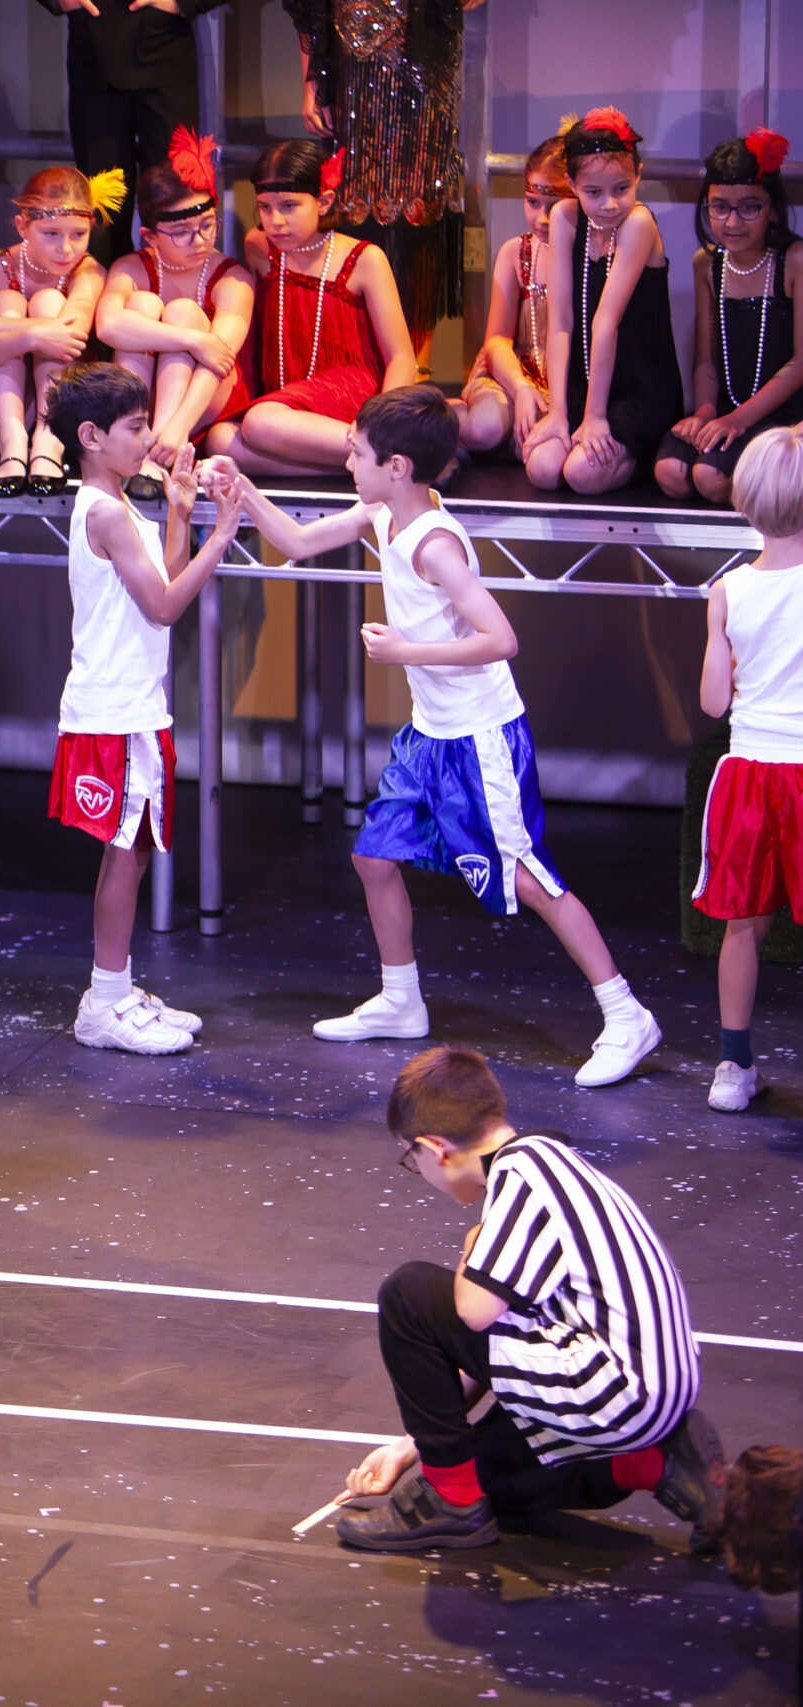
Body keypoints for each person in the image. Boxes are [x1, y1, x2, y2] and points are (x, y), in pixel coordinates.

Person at [227, 387, 662, 1087]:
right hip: (428, 734)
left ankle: (626, 1013)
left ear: (396, 466)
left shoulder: (434, 545)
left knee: (529, 878)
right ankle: (401, 999)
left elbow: (500, 638)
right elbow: (301, 541)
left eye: (357, 452)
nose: (347, 459)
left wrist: (405, 651)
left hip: (479, 737)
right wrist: (243, 490)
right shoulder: (383, 512)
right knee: (375, 857)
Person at [335, 1047, 724, 1554]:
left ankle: (452, 1503)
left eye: (412, 1159)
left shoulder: (521, 1177)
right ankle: (659, 1463)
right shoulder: (549, 1161)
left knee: (408, 1294)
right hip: (649, 1398)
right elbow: (497, 1336)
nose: (418, 1170)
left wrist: (471, 1246)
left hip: (615, 1392)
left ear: (435, 1148)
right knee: (489, 1477)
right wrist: (414, 1447)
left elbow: (473, 1313)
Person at [48, 362, 242, 1053]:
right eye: (134, 427)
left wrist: (183, 514)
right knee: (125, 854)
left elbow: (161, 584)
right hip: (114, 711)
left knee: (130, 852)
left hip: (131, 706)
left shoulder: (118, 506)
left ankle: (115, 990)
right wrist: (222, 537)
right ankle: (103, 1003)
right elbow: (164, 607)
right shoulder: (104, 511)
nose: (147, 438)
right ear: (91, 436)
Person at [690, 427, 803, 1112]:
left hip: (750, 775)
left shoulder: (727, 590)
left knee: (742, 924)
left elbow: (713, 702)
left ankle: (732, 1067)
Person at [209, 138, 418, 476]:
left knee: (259, 423)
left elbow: (401, 358)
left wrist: (383, 423)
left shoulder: (364, 259)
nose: (275, 221)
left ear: (324, 202)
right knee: (220, 440)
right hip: (286, 401)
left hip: (348, 395)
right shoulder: (259, 247)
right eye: (265, 207)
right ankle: (370, 466)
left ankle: (381, 448)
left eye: (289, 206)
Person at [282, 0, 471, 357]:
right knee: (353, 210)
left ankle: (414, 368)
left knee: (422, 213)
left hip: (426, 59)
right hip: (350, 59)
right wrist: (312, 82)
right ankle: (358, 363)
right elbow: (308, 6)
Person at [527, 110, 682, 497]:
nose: (610, 204)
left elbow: (605, 322)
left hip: (639, 387)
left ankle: (642, 456)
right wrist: (558, 411)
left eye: (621, 188)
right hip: (586, 383)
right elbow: (560, 323)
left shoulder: (638, 223)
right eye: (594, 192)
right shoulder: (564, 217)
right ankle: (583, 425)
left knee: (581, 473)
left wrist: (595, 417)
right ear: (572, 184)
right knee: (542, 469)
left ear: (638, 175)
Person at [93, 130, 254, 500]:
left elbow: (219, 359)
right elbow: (108, 325)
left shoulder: (232, 278)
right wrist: (193, 339)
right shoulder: (131, 267)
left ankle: (156, 455)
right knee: (143, 306)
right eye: (181, 232)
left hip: (204, 399)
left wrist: (177, 427)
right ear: (150, 237)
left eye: (207, 225)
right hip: (143, 397)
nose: (199, 240)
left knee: (183, 311)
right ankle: (134, 433)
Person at [656, 132, 802, 507]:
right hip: (726, 403)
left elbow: (800, 363)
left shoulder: (793, 260)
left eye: (749, 207)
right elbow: (706, 357)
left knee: (709, 478)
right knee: (671, 472)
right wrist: (706, 409)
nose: (732, 221)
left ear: (772, 208)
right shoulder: (707, 263)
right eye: (719, 207)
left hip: (781, 410)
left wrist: (738, 420)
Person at [0, 165, 118, 496]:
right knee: (7, 300)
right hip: (5, 404)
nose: (66, 249)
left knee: (48, 301)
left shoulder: (89, 272)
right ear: (22, 226)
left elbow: (70, 336)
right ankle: (12, 441)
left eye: (78, 234)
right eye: (51, 234)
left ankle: (49, 439)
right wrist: (31, 335)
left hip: (70, 405)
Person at [33, 0, 228, 268]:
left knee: (175, 193)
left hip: (165, 48)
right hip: (93, 49)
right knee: (104, 205)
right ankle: (106, 287)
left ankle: (176, 286)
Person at [453, 135, 566, 461]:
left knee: (542, 451)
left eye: (555, 205)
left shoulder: (591, 258)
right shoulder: (516, 253)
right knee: (485, 428)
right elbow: (497, 341)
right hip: (512, 377)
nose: (543, 218)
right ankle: (435, 431)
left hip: (565, 391)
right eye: (533, 202)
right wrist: (520, 387)